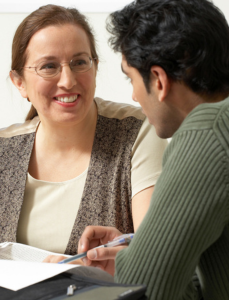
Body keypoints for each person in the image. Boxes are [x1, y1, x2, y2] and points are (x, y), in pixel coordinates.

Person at [0, 5, 167, 256]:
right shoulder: (4, 151)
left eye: (79, 62)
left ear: (95, 68)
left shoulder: (137, 133)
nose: (68, 80)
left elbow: (153, 253)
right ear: (20, 83)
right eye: (49, 66)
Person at [77, 0, 229, 299]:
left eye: (130, 78)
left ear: (158, 80)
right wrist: (145, 249)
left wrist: (135, 264)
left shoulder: (208, 131)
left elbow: (145, 290)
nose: (134, 96)